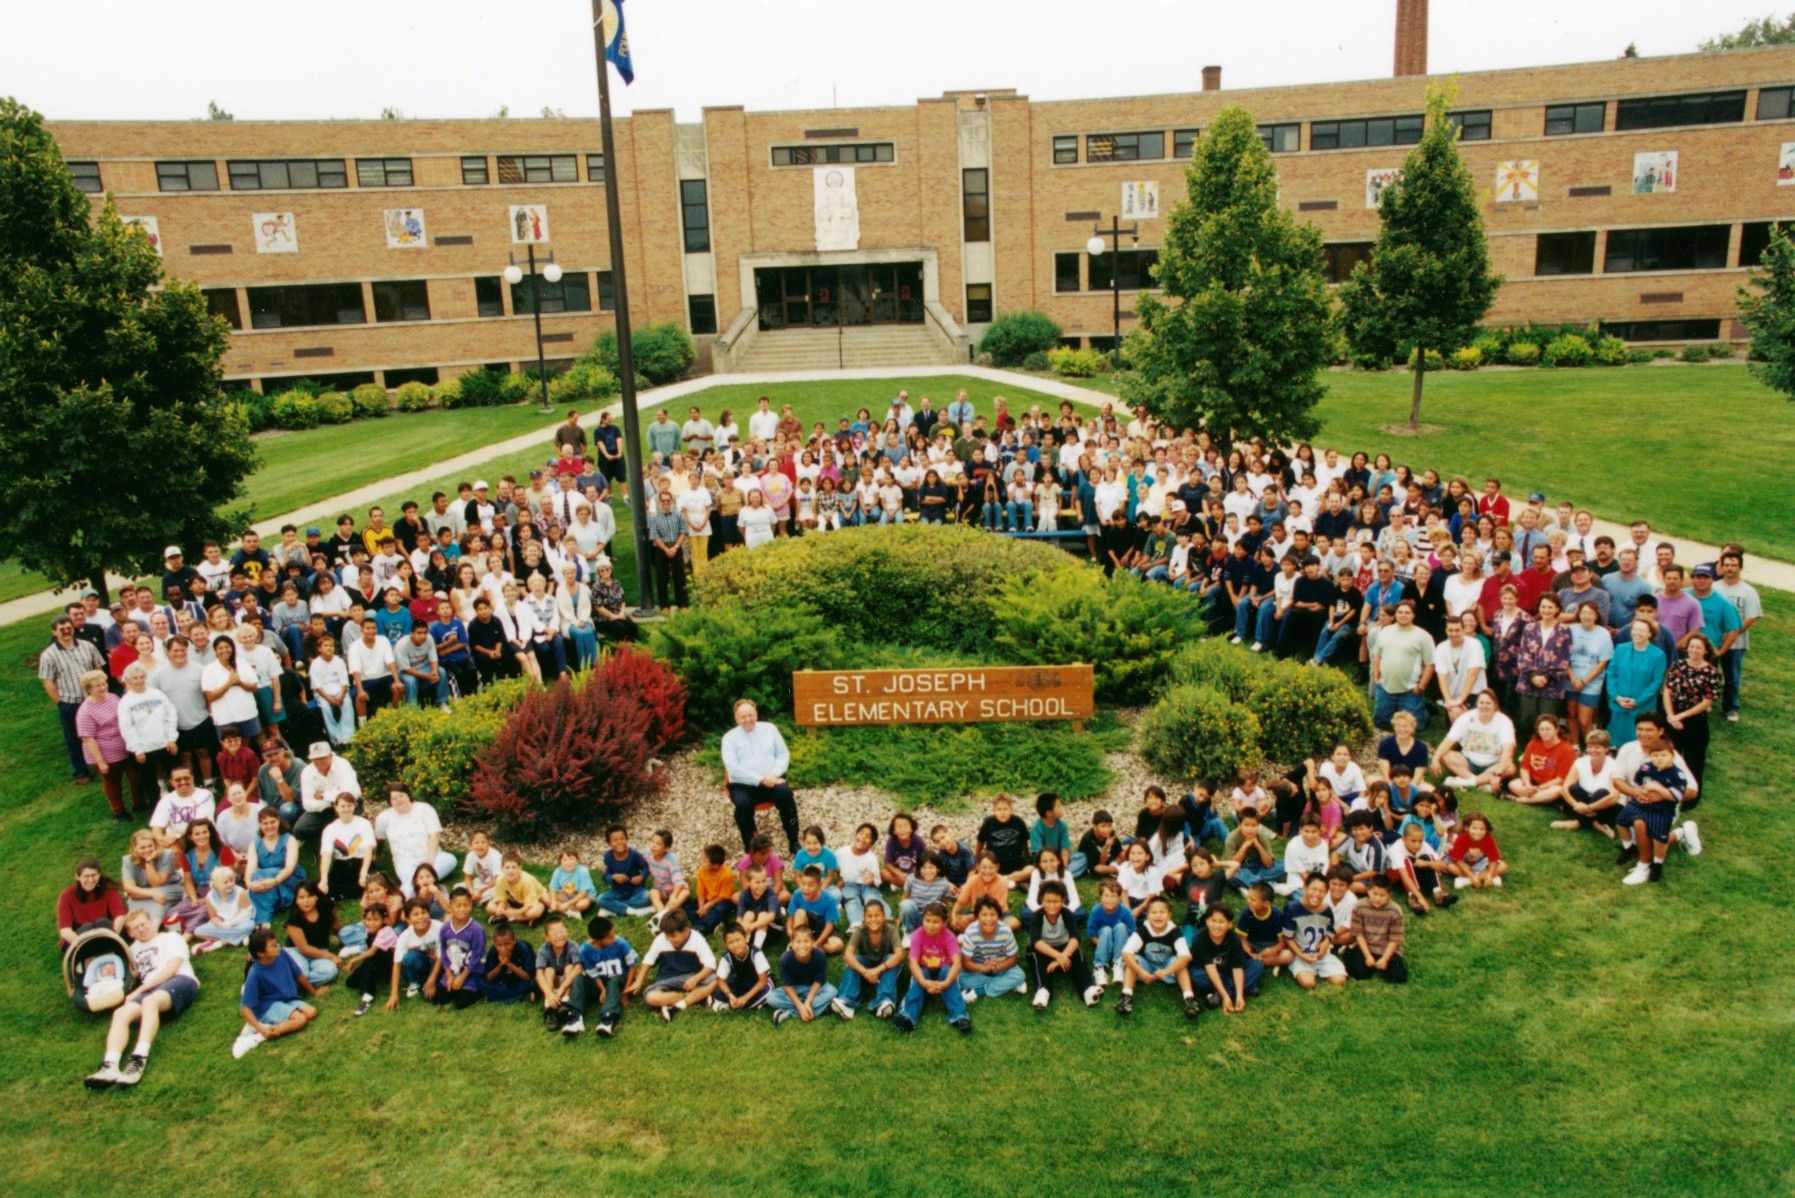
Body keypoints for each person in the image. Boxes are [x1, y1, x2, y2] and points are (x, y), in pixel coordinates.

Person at [82, 909, 200, 1089]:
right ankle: (110, 1065)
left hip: (179, 980)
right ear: (129, 933)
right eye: (135, 929)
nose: (141, 930)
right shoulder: (131, 950)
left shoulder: (171, 938)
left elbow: (172, 968)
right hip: (150, 990)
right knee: (121, 1013)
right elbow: (120, 973)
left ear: (151, 922)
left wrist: (140, 990)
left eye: (143, 924)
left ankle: (138, 1059)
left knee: (148, 1001)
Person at [720, 699, 801, 855]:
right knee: (742, 806)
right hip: (743, 785)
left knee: (785, 794)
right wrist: (761, 779)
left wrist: (774, 774)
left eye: (750, 715)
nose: (748, 719)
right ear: (736, 719)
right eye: (743, 717)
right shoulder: (729, 738)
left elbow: (783, 754)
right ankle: (752, 844)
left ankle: (794, 840)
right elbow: (733, 769)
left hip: (772, 779)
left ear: (756, 714)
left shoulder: (770, 729)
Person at [41, 614, 108, 784]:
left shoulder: (87, 646)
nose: (66, 632)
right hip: (70, 703)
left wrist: (101, 693)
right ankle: (80, 771)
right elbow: (48, 682)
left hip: (92, 700)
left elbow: (98, 668)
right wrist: (60, 702)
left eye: (68, 628)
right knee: (74, 738)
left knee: (98, 734)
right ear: (54, 632)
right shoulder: (49, 655)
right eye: (61, 629)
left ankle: (101, 763)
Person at [1114, 894, 1198, 1018]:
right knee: (1133, 960)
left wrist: (1166, 972)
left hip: (1167, 967)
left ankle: (1189, 998)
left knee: (1179, 962)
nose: (1158, 915)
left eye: (1162, 912)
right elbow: (1126, 952)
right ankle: (1126, 996)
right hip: (1147, 966)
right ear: (1147, 916)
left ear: (1169, 916)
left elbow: (1186, 956)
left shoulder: (1174, 931)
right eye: (1154, 912)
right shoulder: (1143, 930)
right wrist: (1141, 972)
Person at [627, 909, 718, 1023]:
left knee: (718, 980)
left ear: (685, 931)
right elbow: (649, 960)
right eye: (667, 936)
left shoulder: (697, 939)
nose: (670, 940)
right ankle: (696, 997)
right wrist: (639, 981)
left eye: (673, 936)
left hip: (692, 977)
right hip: (668, 979)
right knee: (651, 998)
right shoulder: (660, 939)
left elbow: (711, 965)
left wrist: (696, 979)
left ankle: (679, 1004)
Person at [893, 902, 971, 1034]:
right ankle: (907, 1016)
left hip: (943, 970)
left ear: (944, 923)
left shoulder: (949, 937)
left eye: (935, 922)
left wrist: (945, 983)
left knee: (948, 974)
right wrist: (924, 982)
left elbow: (957, 963)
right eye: (927, 920)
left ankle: (959, 1016)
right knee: (918, 978)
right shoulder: (918, 935)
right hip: (924, 969)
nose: (930, 925)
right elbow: (913, 962)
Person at [373, 784, 455, 897]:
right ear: (389, 802)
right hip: (405, 861)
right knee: (409, 882)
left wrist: (429, 862)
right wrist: (378, 853)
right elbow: (380, 837)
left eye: (401, 795)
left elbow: (435, 835)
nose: (399, 800)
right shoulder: (384, 818)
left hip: (430, 857)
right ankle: (418, 890)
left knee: (451, 860)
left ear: (408, 795)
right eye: (394, 798)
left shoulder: (424, 809)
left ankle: (418, 884)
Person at [1432, 690, 1517, 796]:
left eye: (1488, 703)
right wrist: (1435, 758)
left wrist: (1498, 772)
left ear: (1495, 705)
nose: (1484, 706)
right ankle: (1482, 783)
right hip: (1468, 762)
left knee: (1510, 767)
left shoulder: (1504, 721)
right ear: (1477, 704)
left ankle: (1467, 782)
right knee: (1444, 755)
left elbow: (1508, 750)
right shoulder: (1467, 717)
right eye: (1481, 703)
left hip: (1493, 765)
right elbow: (1449, 740)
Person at [74, 669, 133, 820]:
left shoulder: (113, 697)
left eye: (104, 683)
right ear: (89, 689)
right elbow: (88, 738)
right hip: (106, 753)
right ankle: (119, 811)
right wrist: (100, 761)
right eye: (97, 686)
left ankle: (138, 803)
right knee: (113, 782)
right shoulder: (85, 711)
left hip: (125, 746)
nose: (102, 687)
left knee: (135, 775)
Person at [1663, 633, 1721, 786]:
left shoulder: (1712, 672)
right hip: (1673, 716)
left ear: (1706, 651)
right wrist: (1670, 716)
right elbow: (1668, 691)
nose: (1694, 650)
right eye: (1692, 647)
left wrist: (1681, 716)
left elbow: (1707, 701)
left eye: (1699, 648)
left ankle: (1691, 794)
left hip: (1695, 720)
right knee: (1669, 755)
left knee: (1694, 760)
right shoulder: (1678, 665)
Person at [1370, 600, 1434, 730]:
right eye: (1400, 612)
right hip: (1386, 686)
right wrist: (1377, 679)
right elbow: (1377, 656)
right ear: (1395, 615)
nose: (1403, 615)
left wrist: (1421, 686)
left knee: (1415, 726)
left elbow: (1430, 664)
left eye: (1407, 612)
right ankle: (1399, 708)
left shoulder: (1423, 636)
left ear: (1413, 615)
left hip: (1410, 689)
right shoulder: (1385, 631)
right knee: (1381, 722)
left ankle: (1423, 710)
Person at [1189, 903, 1262, 1013]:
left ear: (1229, 924)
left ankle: (1217, 994)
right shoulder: (1199, 938)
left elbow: (1237, 968)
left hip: (1229, 971)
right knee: (1196, 975)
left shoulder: (1234, 939)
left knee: (1257, 966)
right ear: (1207, 922)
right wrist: (1226, 996)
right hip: (1208, 972)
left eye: (1221, 922)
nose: (1217, 925)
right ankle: (1243, 987)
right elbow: (1210, 968)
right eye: (1213, 920)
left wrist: (1239, 996)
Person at [1607, 619, 1668, 746]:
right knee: (1616, 742)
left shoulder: (1658, 655)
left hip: (1642, 708)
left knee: (1639, 744)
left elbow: (1656, 683)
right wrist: (1616, 697)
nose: (1637, 633)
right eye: (1635, 629)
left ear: (1650, 634)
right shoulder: (1621, 649)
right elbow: (1612, 674)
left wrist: (1637, 701)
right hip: (1620, 705)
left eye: (1642, 630)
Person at [1285, 873, 1348, 992]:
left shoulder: (1326, 910)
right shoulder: (1292, 908)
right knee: (1308, 983)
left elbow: (1330, 932)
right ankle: (1306, 970)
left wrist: (1325, 944)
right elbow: (1288, 937)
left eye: (1322, 891)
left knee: (1339, 980)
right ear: (1305, 887)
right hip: (1300, 954)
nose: (1317, 894)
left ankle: (1322, 969)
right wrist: (1300, 954)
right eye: (1314, 889)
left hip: (1320, 954)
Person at [1342, 876, 1408, 983]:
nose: (1377, 898)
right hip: (1365, 946)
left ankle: (1381, 963)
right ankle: (1347, 952)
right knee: (1359, 974)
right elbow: (1358, 934)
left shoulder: (1395, 911)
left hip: (1386, 949)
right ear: (1368, 891)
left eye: (1382, 895)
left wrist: (1385, 959)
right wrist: (1368, 956)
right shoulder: (1359, 906)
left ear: (1389, 895)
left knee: (1398, 977)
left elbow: (1395, 939)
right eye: (1375, 894)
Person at [1508, 712, 1577, 807]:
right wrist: (1528, 784)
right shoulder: (1533, 743)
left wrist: (1539, 788)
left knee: (1557, 791)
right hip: (1533, 783)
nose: (1544, 732)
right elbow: (1524, 767)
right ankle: (1544, 800)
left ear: (1556, 730)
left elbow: (1561, 779)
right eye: (1541, 729)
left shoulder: (1567, 749)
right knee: (1513, 784)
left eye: (1548, 729)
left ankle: (1519, 800)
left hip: (1551, 786)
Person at [317, 791, 375, 899]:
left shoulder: (364, 824)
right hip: (342, 865)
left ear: (354, 806)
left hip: (362, 862)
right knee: (322, 888)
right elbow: (326, 857)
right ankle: (347, 893)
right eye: (342, 806)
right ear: (336, 807)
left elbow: (368, 851)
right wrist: (323, 880)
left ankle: (346, 894)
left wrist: (363, 873)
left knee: (374, 882)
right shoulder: (330, 829)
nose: (346, 809)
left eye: (349, 805)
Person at [59, 858, 127, 948]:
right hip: (81, 937)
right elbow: (65, 930)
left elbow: (120, 916)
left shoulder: (106, 888)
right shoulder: (68, 895)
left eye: (93, 875)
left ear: (99, 875)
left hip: (108, 932)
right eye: (86, 876)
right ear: (78, 877)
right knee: (87, 928)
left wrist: (113, 938)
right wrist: (83, 945)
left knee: (102, 922)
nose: (90, 880)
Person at [710, 921, 773, 1014]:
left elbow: (763, 981)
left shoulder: (756, 953)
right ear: (726, 944)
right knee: (717, 990)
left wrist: (746, 997)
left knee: (767, 992)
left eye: (738, 940)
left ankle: (734, 1005)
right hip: (740, 982)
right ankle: (743, 1003)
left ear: (745, 938)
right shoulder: (727, 957)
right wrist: (730, 995)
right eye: (730, 942)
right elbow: (721, 980)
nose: (735, 945)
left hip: (758, 983)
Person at [595, 825, 654, 916]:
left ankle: (614, 909)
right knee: (600, 899)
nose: (619, 842)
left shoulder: (634, 854)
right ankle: (633, 910)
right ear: (609, 844)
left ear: (627, 839)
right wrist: (613, 877)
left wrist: (641, 877)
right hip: (618, 891)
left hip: (637, 890)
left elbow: (646, 868)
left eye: (622, 839)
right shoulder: (608, 857)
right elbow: (605, 875)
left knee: (647, 896)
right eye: (615, 840)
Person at [479, 920, 538, 1006]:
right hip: (502, 981)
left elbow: (528, 977)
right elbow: (489, 977)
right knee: (481, 983)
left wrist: (509, 963)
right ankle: (522, 997)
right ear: (495, 944)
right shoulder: (493, 951)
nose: (503, 948)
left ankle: (494, 997)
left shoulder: (524, 948)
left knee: (535, 982)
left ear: (514, 941)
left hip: (520, 981)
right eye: (499, 945)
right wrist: (500, 965)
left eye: (507, 944)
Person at [1447, 813, 1508, 891]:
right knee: (1450, 867)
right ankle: (1485, 878)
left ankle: (1468, 881)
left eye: (1482, 829)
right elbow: (1458, 860)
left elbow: (1494, 859)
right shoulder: (1461, 839)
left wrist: (1489, 874)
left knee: (1503, 866)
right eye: (1474, 828)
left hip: (1481, 864)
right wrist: (1471, 875)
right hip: (1465, 865)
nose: (1478, 832)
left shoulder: (1488, 839)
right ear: (1466, 828)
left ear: (1486, 830)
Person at [488, 853, 550, 924]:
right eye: (507, 867)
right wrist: (500, 907)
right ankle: (524, 919)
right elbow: (500, 897)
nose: (510, 871)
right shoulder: (500, 879)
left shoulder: (527, 881)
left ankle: (507, 917)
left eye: (514, 867)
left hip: (531, 902)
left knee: (535, 911)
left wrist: (516, 912)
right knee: (490, 907)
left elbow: (529, 904)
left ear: (520, 868)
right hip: (514, 901)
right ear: (502, 869)